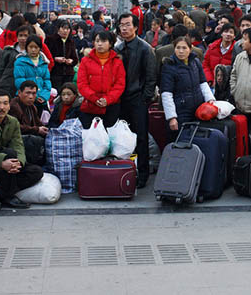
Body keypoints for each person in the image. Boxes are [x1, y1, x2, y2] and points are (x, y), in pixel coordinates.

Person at [115, 13, 156, 188]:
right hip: (119, 99)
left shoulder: (145, 49)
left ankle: (143, 174)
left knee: (140, 139)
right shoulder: (117, 49)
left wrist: (144, 98)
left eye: (127, 25)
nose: (124, 28)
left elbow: (151, 77)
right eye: (121, 25)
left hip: (137, 99)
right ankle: (123, 171)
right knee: (121, 137)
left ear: (135, 27)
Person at [160, 36, 215, 137]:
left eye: (184, 48)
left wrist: (210, 100)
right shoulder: (169, 66)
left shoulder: (195, 62)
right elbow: (166, 94)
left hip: (198, 109)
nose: (181, 51)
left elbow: (203, 83)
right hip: (181, 112)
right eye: (178, 48)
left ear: (190, 49)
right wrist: (172, 117)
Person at [76, 30, 126, 128]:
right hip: (90, 105)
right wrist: (94, 98)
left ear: (110, 43)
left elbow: (119, 85)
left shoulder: (117, 62)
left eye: (103, 41)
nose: (99, 44)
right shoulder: (86, 61)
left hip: (111, 106)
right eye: (97, 41)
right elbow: (82, 84)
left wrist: (107, 99)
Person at [45, 20, 77, 91]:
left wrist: (71, 61)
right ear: (58, 29)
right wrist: (55, 59)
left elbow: (75, 59)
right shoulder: (50, 40)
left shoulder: (71, 41)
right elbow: (45, 57)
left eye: (67, 29)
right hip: (55, 73)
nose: (65, 31)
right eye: (63, 28)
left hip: (68, 74)